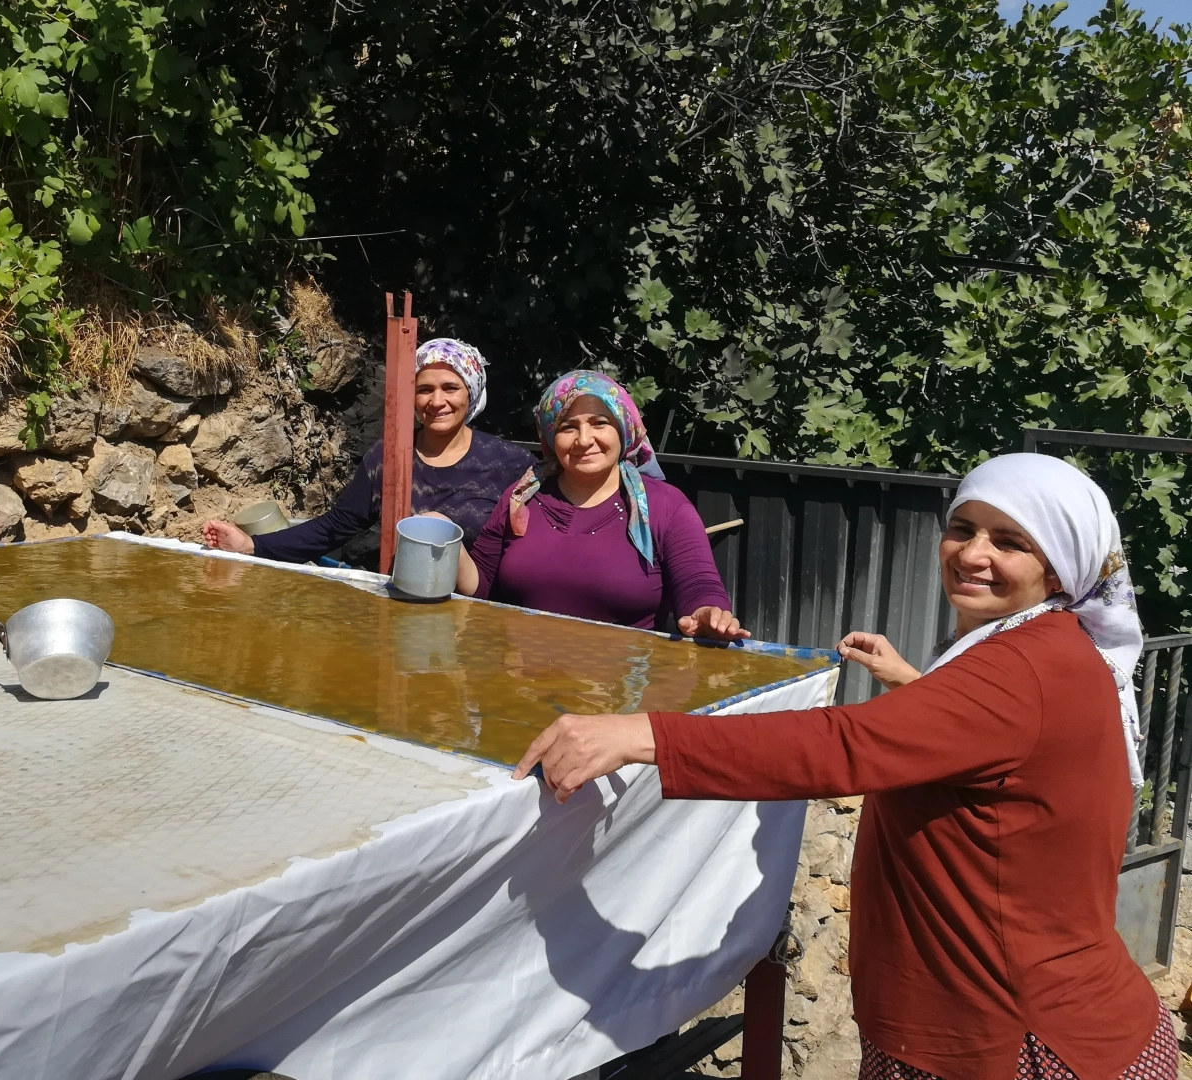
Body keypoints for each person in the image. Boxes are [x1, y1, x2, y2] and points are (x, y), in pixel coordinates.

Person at [513, 453, 1174, 1080]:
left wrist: (643, 735)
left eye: (1009, 542)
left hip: (1005, 1042)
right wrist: (915, 688)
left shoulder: (1015, 668)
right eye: (962, 529)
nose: (973, 554)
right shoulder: (1055, 645)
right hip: (1060, 1014)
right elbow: (993, 750)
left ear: (1056, 568)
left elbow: (842, 746)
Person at [451, 370, 746, 639]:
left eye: (599, 423)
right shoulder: (521, 499)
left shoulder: (666, 507)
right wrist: (448, 542)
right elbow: (482, 588)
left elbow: (698, 586)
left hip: (619, 692)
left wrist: (708, 614)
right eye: (568, 427)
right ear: (551, 437)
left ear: (624, 428)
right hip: (523, 687)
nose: (583, 439)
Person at [202, 338, 534, 563]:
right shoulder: (388, 458)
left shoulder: (510, 464)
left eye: (450, 388)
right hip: (405, 614)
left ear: (472, 392)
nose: (436, 402)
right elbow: (335, 527)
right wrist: (253, 546)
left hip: (483, 616)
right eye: (424, 390)